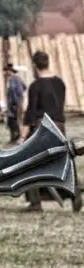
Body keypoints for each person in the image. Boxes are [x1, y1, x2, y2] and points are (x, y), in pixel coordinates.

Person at [20, 50, 82, 212]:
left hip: (42, 127)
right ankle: (74, 191)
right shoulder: (60, 83)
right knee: (62, 161)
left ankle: (35, 202)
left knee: (30, 163)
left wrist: (23, 136)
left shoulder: (36, 86)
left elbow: (31, 113)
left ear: (35, 66)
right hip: (59, 126)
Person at [5, 63, 25, 143]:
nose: (5, 73)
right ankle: (18, 136)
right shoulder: (19, 78)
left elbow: (13, 90)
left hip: (14, 103)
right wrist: (20, 96)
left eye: (6, 71)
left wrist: (14, 102)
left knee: (14, 120)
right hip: (19, 101)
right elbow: (24, 87)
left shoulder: (12, 79)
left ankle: (17, 137)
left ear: (9, 71)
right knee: (19, 119)